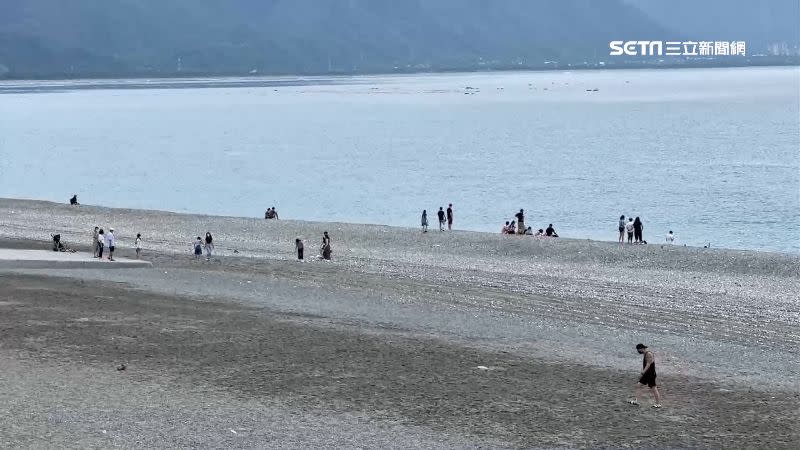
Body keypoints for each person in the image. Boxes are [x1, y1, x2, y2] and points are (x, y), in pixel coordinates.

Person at [629, 343, 662, 408]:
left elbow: (648, 364)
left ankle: (658, 404)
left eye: (638, 350)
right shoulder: (645, 354)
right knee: (638, 385)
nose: (638, 351)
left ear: (641, 349)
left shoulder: (648, 354)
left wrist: (642, 372)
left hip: (650, 374)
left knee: (654, 388)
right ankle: (637, 401)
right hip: (647, 374)